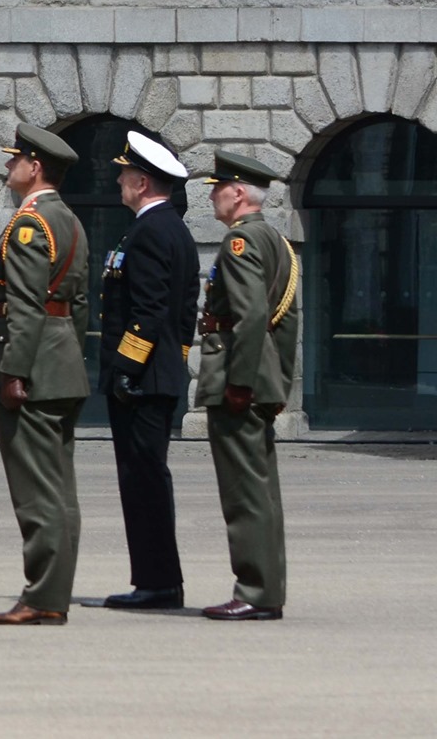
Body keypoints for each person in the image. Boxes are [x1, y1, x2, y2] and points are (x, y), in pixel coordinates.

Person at [0, 124, 92, 626]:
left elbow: (22, 306)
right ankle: (51, 593)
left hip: (32, 368)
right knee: (59, 489)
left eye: (14, 159)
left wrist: (13, 371)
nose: (8, 166)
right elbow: (78, 306)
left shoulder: (29, 224)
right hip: (61, 361)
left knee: (37, 490)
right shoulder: (69, 221)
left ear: (35, 167)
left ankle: (43, 597)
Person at [195, 150, 300, 621]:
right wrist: (277, 381)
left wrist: (239, 382)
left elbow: (252, 315)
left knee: (245, 493)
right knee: (262, 491)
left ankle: (255, 590)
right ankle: (266, 589)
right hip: (262, 378)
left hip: (242, 380)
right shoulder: (275, 240)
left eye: (218, 188)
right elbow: (288, 321)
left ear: (238, 193)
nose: (213, 197)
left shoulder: (240, 242)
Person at [98, 130, 199, 610]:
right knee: (143, 477)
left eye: (124, 174)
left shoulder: (152, 230)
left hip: (140, 381)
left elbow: (151, 310)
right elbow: (182, 317)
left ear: (141, 182)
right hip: (157, 375)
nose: (118, 180)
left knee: (143, 480)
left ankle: (158, 582)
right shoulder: (170, 228)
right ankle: (156, 579)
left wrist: (128, 367)